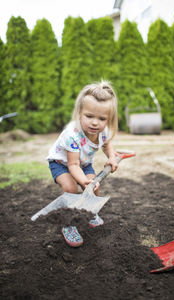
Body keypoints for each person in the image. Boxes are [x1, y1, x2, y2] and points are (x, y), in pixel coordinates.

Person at [46, 80, 118, 247]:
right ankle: (67, 225)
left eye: (101, 118)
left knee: (95, 186)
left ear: (108, 119)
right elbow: (72, 165)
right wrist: (83, 181)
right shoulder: (72, 135)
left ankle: (91, 212)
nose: (95, 122)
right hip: (62, 164)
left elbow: (107, 145)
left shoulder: (103, 130)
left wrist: (112, 157)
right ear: (79, 113)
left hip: (84, 164)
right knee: (71, 188)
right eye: (89, 116)